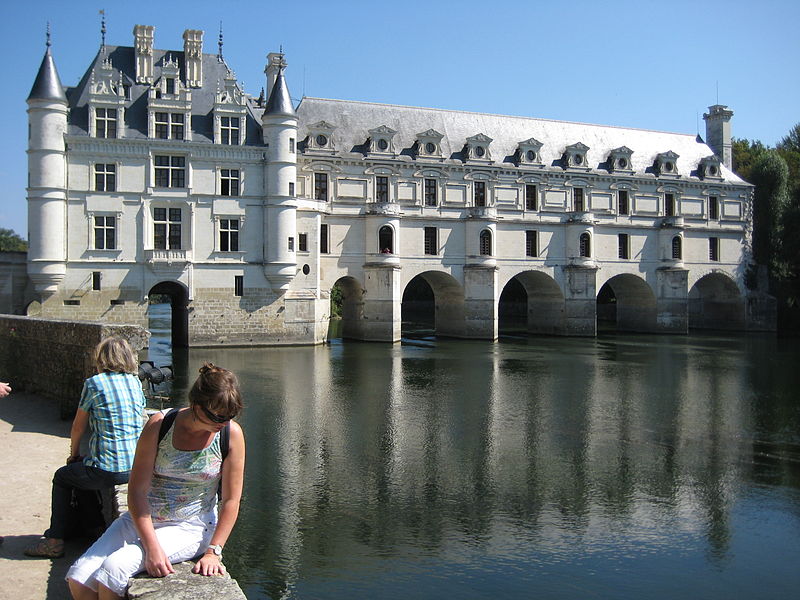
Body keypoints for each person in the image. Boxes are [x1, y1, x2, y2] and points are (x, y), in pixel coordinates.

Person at [66, 363, 245, 600]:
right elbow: (137, 491)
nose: (223, 422)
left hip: (190, 525)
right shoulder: (161, 425)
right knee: (79, 579)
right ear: (196, 405)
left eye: (230, 416)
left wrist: (214, 551)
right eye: (216, 415)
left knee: (113, 569)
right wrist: (152, 546)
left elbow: (231, 500)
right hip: (143, 517)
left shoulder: (229, 435)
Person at [25, 337, 146, 559]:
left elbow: (78, 427)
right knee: (81, 473)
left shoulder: (94, 383)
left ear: (101, 358)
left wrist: (73, 454)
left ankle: (54, 542)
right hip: (135, 467)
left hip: (108, 469)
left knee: (63, 476)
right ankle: (94, 528)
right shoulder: (135, 382)